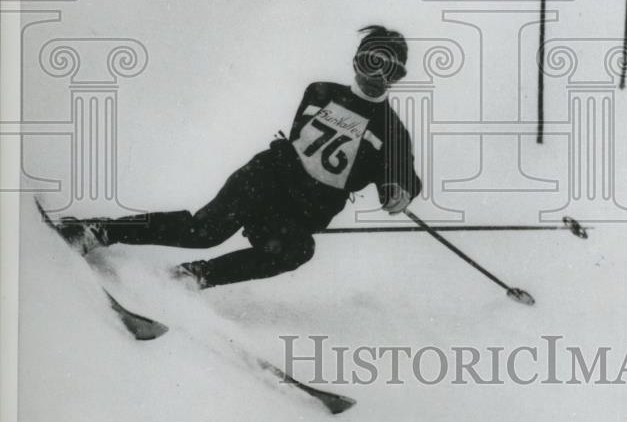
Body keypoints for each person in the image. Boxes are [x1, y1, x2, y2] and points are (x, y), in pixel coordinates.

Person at [55, 26, 421, 290]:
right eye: (370, 60)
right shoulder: (321, 91)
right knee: (205, 231)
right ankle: (98, 230)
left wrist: (398, 188)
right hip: (266, 180)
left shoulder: (392, 132)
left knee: (297, 250)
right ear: (355, 60)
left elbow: (404, 176)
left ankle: (191, 277)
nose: (375, 75)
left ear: (398, 77)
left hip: (296, 214)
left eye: (389, 68)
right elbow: (302, 144)